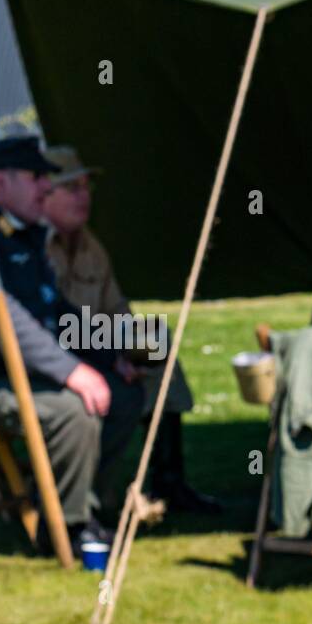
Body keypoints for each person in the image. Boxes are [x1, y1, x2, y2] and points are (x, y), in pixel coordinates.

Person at [0, 137, 143, 553]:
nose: (46, 186)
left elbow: (54, 310)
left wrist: (110, 355)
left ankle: (83, 507)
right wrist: (71, 372)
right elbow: (2, 319)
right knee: (72, 410)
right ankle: (66, 529)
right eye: (36, 176)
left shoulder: (20, 234)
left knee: (123, 395)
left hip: (15, 378)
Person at [41, 145, 219, 514]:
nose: (84, 196)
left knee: (156, 342)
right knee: (133, 361)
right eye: (72, 188)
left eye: (86, 187)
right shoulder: (35, 249)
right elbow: (49, 323)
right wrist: (111, 352)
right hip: (57, 352)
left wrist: (134, 345)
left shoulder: (91, 245)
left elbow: (116, 309)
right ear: (45, 195)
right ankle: (89, 492)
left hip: (94, 340)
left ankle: (169, 480)